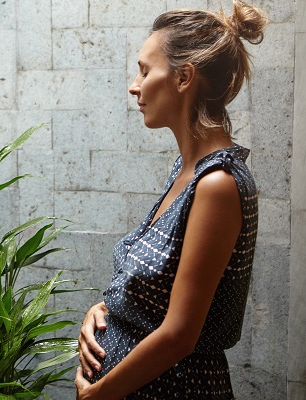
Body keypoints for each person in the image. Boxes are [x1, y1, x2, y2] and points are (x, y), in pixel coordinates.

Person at [74, 1, 267, 399]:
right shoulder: (188, 170)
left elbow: (180, 334)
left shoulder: (218, 183)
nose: (134, 85)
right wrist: (108, 311)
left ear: (183, 78)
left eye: (145, 70)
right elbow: (160, 291)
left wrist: (99, 394)